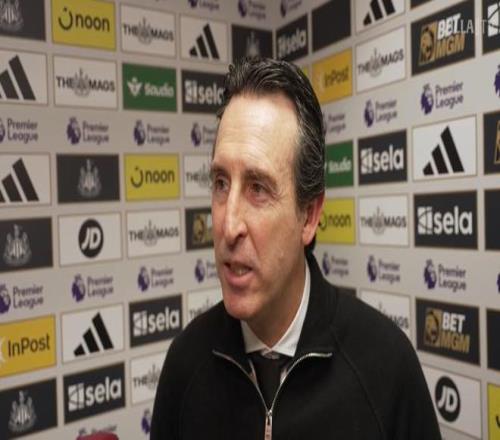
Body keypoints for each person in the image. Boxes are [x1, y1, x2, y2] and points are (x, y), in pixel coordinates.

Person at [151, 58, 441, 440]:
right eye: (221, 183)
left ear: (309, 215)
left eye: (258, 188)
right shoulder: (185, 366)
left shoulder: (386, 369)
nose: (228, 225)